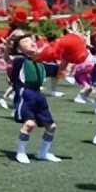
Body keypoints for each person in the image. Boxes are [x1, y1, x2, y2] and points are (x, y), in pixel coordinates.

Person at [9, 31, 61, 164]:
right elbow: (8, 56)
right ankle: (21, 152)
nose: (31, 43)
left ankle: (43, 153)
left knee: (52, 127)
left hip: (39, 95)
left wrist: (70, 55)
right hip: (26, 94)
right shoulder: (20, 60)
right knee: (29, 124)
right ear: (19, 49)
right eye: (25, 42)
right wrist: (9, 43)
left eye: (31, 40)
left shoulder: (41, 64)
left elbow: (59, 69)